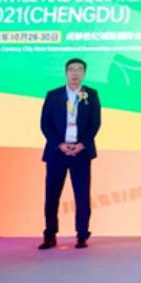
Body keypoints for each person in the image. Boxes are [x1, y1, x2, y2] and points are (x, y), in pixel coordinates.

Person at [38, 58, 101, 250]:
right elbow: (45, 123)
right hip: (57, 152)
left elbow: (95, 123)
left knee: (82, 194)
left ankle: (82, 235)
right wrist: (59, 144)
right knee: (52, 195)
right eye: (72, 70)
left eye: (79, 70)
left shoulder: (91, 94)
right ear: (66, 73)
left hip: (81, 153)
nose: (75, 73)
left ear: (84, 74)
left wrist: (83, 144)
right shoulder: (53, 95)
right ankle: (50, 235)